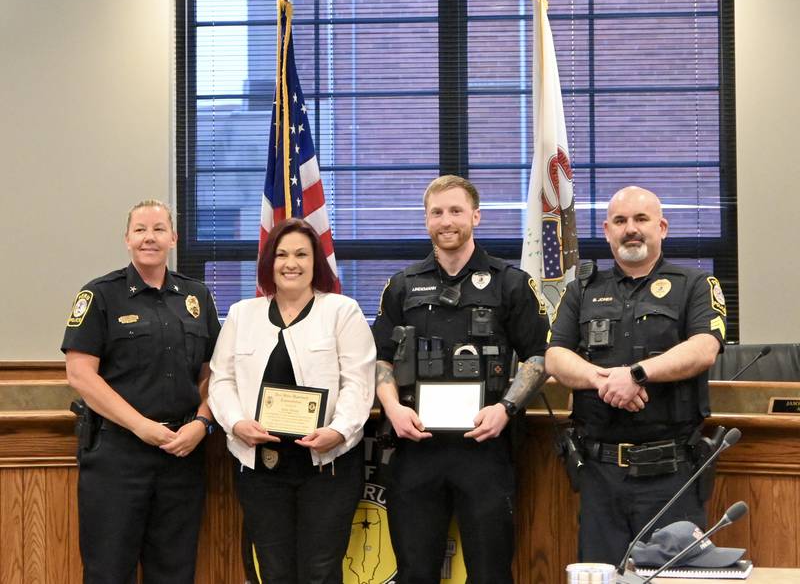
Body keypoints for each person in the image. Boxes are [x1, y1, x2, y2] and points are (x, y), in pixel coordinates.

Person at [372, 175, 549, 584]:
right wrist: (393, 408)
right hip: (417, 447)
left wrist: (506, 409)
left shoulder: (511, 283)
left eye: (455, 210)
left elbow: (539, 356)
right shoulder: (402, 285)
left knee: (490, 573)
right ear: (426, 221)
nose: (446, 220)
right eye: (437, 212)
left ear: (476, 216)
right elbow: (379, 358)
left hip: (485, 448)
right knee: (415, 572)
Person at [545, 186, 726, 566]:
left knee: (673, 576)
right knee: (602, 574)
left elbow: (704, 348)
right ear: (607, 230)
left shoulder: (695, 285)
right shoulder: (582, 289)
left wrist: (637, 375)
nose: (631, 229)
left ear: (662, 227)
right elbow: (556, 357)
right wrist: (604, 381)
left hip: (671, 474)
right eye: (621, 221)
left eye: (641, 219)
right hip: (600, 474)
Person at [61, 199, 221, 584]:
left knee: (175, 572)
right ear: (127, 239)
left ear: (173, 238)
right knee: (109, 571)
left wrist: (202, 422)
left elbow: (214, 372)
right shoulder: (100, 295)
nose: (150, 237)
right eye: (141, 230)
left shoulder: (196, 296)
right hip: (118, 456)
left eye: (159, 229)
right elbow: (81, 375)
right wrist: (140, 426)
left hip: (182, 454)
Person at [208, 217, 375, 584]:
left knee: (320, 572)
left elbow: (358, 383)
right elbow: (221, 381)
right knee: (274, 572)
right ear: (269, 262)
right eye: (281, 254)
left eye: (301, 253)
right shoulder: (241, 315)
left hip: (326, 467)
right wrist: (236, 423)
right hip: (262, 468)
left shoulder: (342, 311)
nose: (291, 263)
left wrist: (338, 431)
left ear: (317, 261)